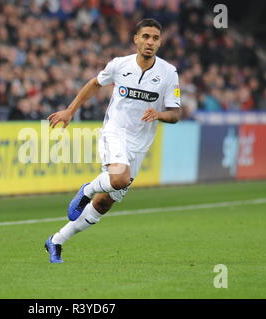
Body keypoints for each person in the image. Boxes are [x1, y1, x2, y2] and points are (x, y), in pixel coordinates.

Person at [44, 18, 181, 263]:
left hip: (140, 145)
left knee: (105, 202)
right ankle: (86, 190)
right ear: (136, 39)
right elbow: (95, 83)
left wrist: (159, 114)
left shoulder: (169, 73)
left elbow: (175, 114)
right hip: (115, 132)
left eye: (155, 38)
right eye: (146, 36)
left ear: (160, 43)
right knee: (118, 178)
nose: (150, 42)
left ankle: (56, 241)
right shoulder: (119, 65)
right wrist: (70, 110)